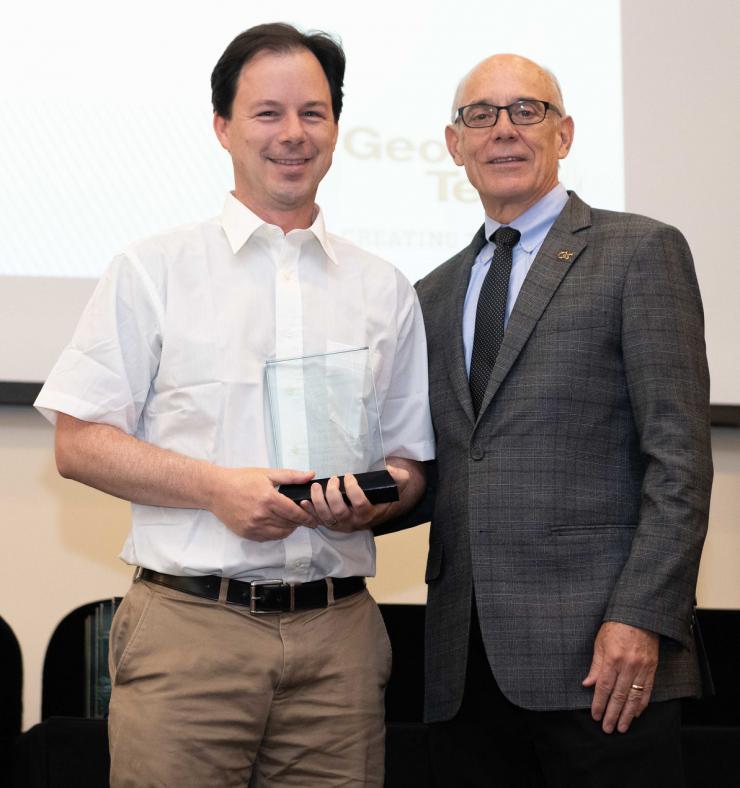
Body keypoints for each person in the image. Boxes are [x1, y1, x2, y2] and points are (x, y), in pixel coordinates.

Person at [35, 23, 434, 788]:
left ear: (337, 129)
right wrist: (216, 490)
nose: (293, 134)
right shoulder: (152, 269)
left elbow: (410, 464)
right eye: (267, 113)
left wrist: (372, 501)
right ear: (222, 127)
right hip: (191, 633)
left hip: (339, 643)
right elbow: (79, 443)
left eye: (313, 114)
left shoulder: (383, 287)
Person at [412, 53, 712, 786]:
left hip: (603, 663)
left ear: (564, 132)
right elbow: (446, 465)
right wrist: (337, 499)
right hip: (465, 668)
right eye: (480, 115)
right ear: (456, 145)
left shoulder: (640, 251)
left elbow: (679, 461)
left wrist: (642, 617)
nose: (503, 131)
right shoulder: (433, 291)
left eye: (527, 111)